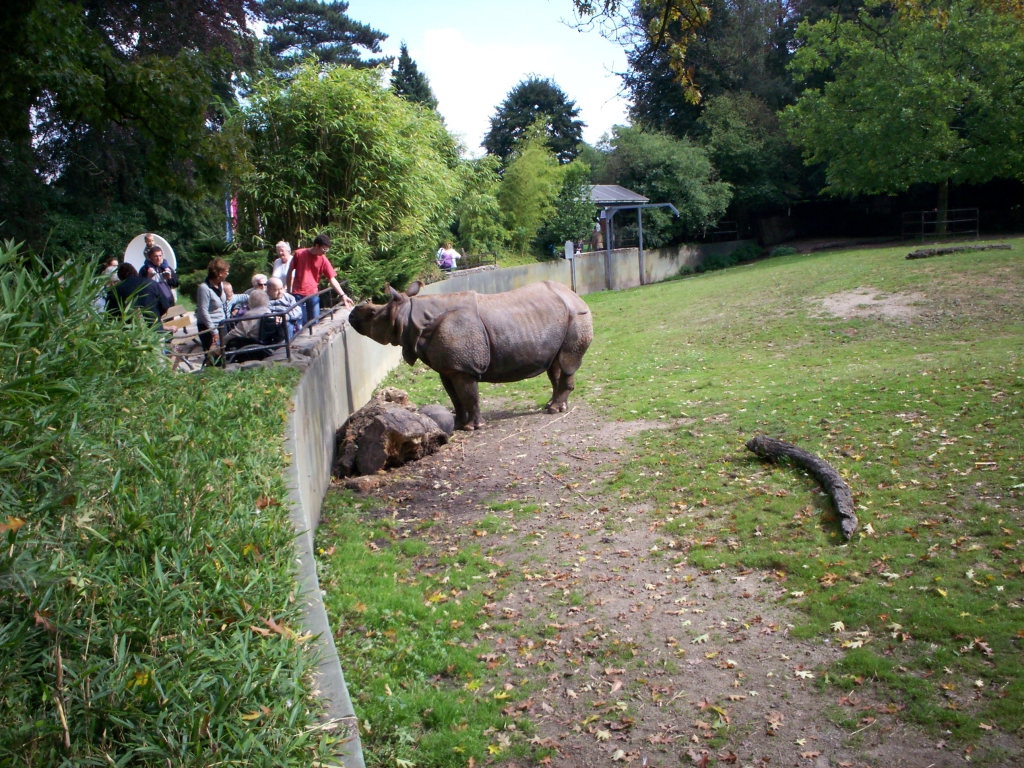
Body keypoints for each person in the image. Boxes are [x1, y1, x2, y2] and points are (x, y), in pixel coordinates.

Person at [285, 233, 354, 326]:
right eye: (324, 249)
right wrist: (289, 292)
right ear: (316, 245)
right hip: (298, 294)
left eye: (327, 250)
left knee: (315, 323)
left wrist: (343, 295)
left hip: (313, 294)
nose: (325, 252)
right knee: (299, 323)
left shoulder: (323, 260)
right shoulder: (299, 254)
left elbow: (332, 279)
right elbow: (289, 273)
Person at [106, 263, 170, 324]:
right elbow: (165, 306)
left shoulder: (115, 290)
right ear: (135, 271)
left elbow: (111, 314)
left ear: (119, 276)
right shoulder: (152, 283)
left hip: (129, 331)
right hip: (154, 328)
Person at [195, 258, 230, 352]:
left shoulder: (220, 285)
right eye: (226, 272)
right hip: (209, 327)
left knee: (223, 354)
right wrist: (214, 332)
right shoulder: (204, 288)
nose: (228, 274)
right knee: (212, 356)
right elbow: (203, 311)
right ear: (220, 273)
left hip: (222, 324)